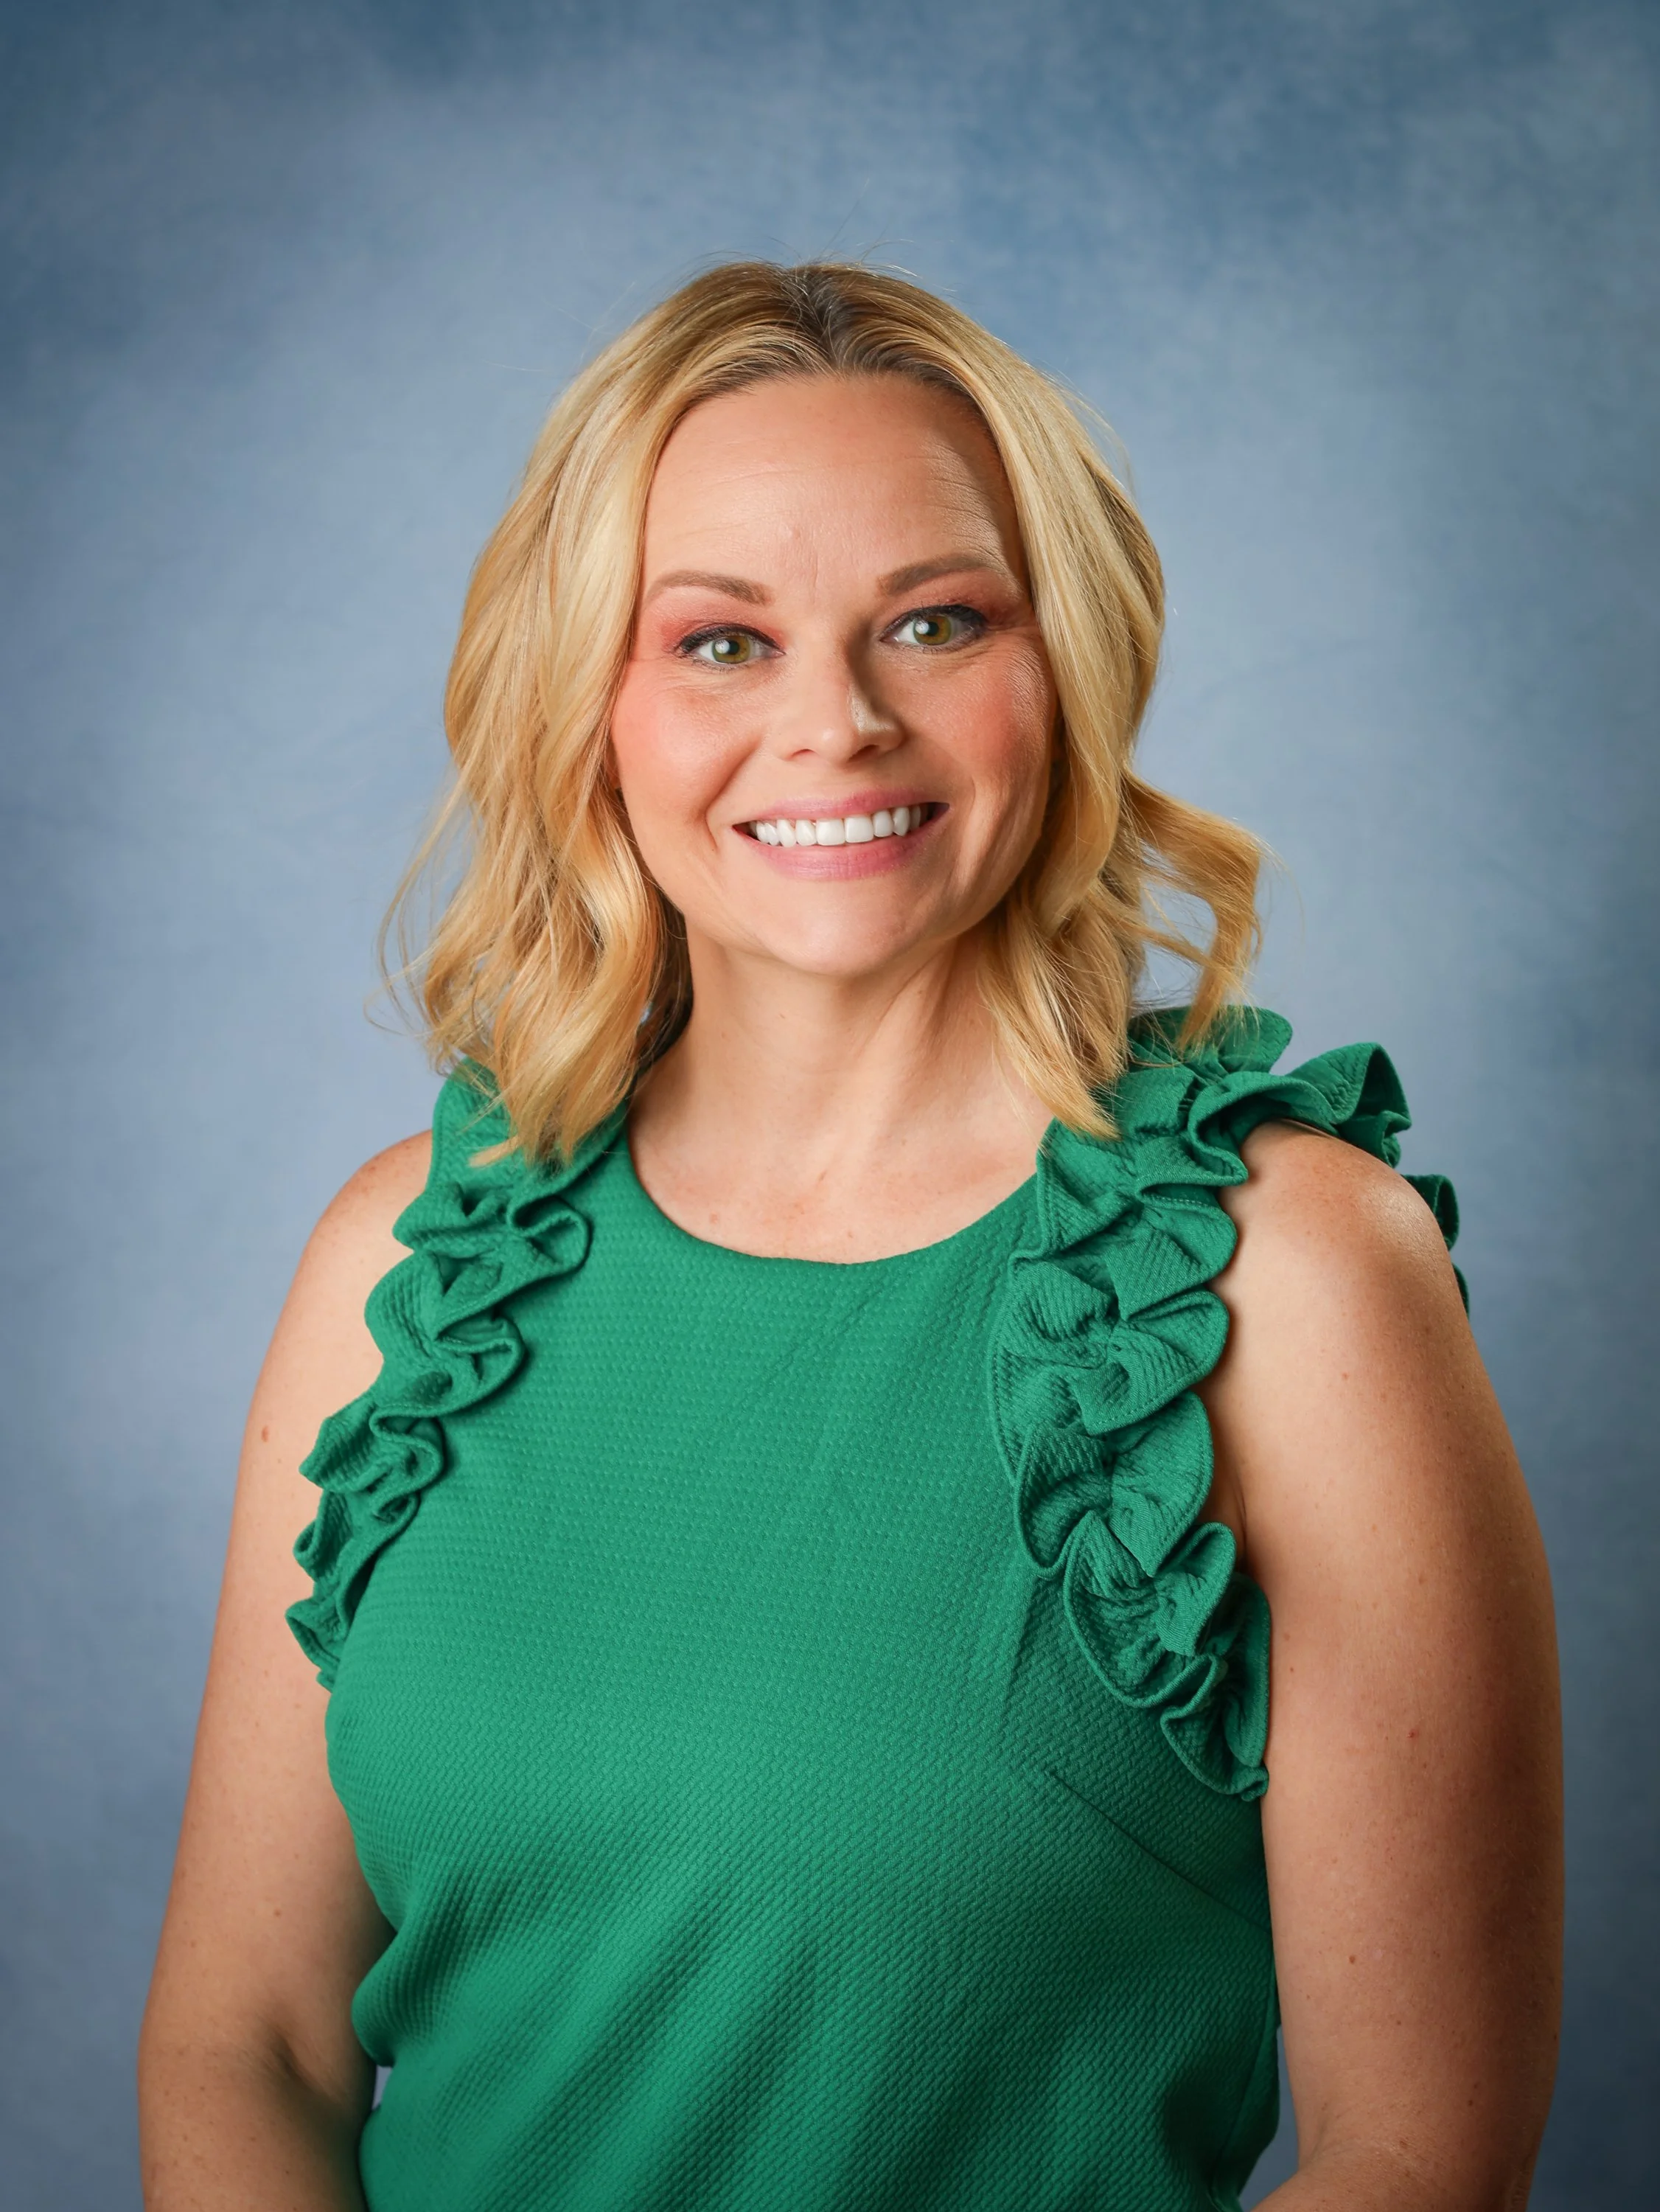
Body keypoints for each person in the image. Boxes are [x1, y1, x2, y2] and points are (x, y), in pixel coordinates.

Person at [137, 262, 1561, 2211]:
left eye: (935, 621)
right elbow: (253, 2046)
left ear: (1059, 666)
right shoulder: (402, 1270)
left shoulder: (1281, 1275)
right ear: (592, 702)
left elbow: (1420, 2156)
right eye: (720, 641)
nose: (837, 724)